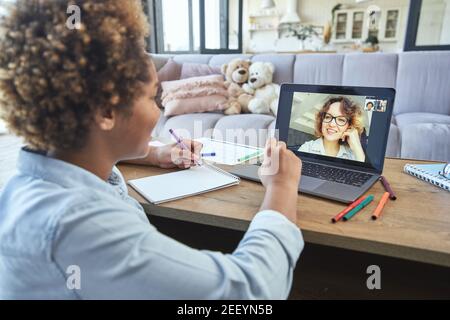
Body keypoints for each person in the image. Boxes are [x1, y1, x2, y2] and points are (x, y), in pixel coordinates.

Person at [0, 0, 304, 299]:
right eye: (150, 98)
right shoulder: (82, 227)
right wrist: (282, 187)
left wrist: (158, 153)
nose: (159, 112)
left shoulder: (38, 175)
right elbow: (249, 292)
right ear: (106, 111)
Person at [299, 97, 366, 162]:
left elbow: (365, 172)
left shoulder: (353, 156)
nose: (332, 124)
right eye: (328, 117)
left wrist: (357, 148)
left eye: (341, 120)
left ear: (349, 127)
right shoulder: (307, 148)